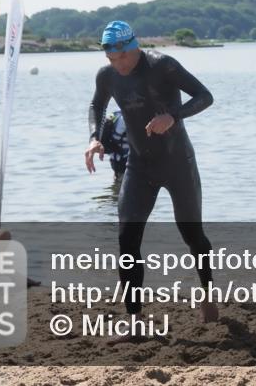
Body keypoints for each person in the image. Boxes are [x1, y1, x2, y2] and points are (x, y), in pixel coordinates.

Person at [86, 21, 218, 333]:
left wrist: (173, 116)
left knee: (192, 235)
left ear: (134, 47)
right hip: (139, 165)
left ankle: (208, 293)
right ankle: (134, 322)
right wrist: (94, 137)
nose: (118, 66)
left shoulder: (163, 66)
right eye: (112, 60)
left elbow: (204, 96)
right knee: (127, 240)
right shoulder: (107, 76)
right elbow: (96, 104)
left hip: (177, 163)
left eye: (123, 58)